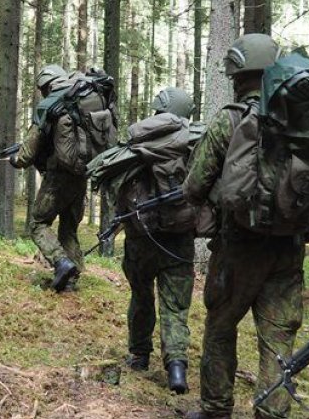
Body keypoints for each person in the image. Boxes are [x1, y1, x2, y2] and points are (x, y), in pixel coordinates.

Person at [182, 34, 302, 419]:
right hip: (288, 247)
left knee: (220, 326)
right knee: (278, 338)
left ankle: (216, 408)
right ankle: (272, 413)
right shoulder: (300, 119)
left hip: (238, 247)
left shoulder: (230, 119)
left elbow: (194, 184)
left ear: (237, 76)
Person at [115, 87, 200, 395]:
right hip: (179, 240)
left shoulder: (138, 141)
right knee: (176, 307)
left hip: (140, 238)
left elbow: (119, 187)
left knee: (141, 296)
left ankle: (139, 356)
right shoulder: (193, 143)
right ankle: (176, 367)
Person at [10, 64, 86, 291]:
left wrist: (16, 160)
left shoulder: (49, 106)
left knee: (38, 224)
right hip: (81, 175)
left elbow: (28, 152)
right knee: (68, 229)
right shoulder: (80, 100)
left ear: (46, 85)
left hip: (58, 178)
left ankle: (61, 262)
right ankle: (70, 280)